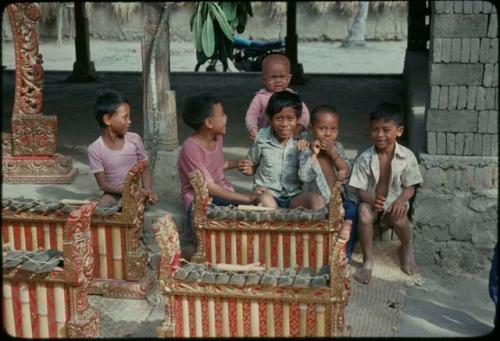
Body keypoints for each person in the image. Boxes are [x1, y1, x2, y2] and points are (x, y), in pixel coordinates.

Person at [177, 93, 262, 260]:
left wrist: (237, 163)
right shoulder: (190, 148)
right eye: (222, 114)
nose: (226, 117)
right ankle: (188, 251)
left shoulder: (218, 137)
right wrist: (247, 198)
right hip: (201, 200)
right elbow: (209, 187)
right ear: (208, 123)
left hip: (222, 193)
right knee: (212, 241)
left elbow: (216, 166)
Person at [349, 102, 423, 284]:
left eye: (386, 129)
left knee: (400, 218)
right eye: (374, 129)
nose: (379, 135)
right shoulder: (365, 158)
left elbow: (411, 186)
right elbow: (360, 189)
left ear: (399, 131)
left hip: (394, 204)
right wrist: (372, 200)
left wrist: (400, 201)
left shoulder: (407, 156)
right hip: (373, 204)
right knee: (364, 213)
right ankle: (368, 259)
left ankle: (406, 248)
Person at [240, 90, 324, 209]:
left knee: (317, 201)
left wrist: (309, 153)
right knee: (265, 200)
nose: (284, 124)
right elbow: (251, 166)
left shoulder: (303, 141)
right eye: (278, 118)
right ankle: (278, 222)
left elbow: (305, 177)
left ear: (298, 119)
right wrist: (246, 168)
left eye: (290, 119)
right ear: (270, 118)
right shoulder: (261, 138)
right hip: (268, 194)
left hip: (294, 196)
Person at [298, 105, 358, 261]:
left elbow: (346, 170)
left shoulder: (337, 147)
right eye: (322, 128)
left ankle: (346, 254)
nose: (328, 134)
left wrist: (333, 154)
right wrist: (313, 154)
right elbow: (303, 176)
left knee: (351, 211)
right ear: (312, 128)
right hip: (319, 202)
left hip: (339, 200)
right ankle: (321, 254)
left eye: (333, 129)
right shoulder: (306, 149)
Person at [88, 89, 158, 206]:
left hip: (136, 193)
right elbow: (103, 185)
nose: (129, 121)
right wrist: (126, 192)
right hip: (113, 193)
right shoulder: (95, 149)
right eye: (125, 117)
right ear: (107, 120)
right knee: (103, 204)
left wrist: (148, 191)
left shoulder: (134, 139)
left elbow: (144, 168)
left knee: (127, 205)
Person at [245, 53, 310, 140]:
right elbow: (251, 116)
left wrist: (298, 129)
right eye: (273, 77)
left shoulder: (292, 96)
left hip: (289, 137)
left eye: (282, 77)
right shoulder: (260, 98)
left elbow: (305, 114)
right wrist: (252, 127)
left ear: (289, 78)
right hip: (265, 139)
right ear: (264, 79)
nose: (278, 81)